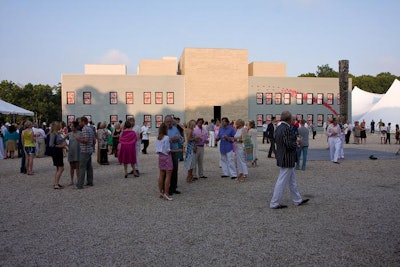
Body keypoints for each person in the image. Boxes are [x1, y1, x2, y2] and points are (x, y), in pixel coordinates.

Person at [270, 111, 309, 209]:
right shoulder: (286, 128)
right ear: (288, 119)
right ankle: (274, 202)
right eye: (292, 119)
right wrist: (297, 143)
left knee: (292, 181)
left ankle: (297, 200)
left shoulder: (279, 128)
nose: (293, 120)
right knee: (282, 181)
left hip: (283, 156)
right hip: (287, 157)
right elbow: (289, 145)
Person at [74, 116, 96, 189]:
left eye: (80, 122)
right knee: (89, 166)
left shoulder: (84, 129)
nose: (79, 123)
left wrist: (78, 139)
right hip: (89, 150)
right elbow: (94, 141)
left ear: (83, 122)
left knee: (82, 167)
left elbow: (86, 140)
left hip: (84, 150)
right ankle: (90, 181)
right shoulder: (90, 128)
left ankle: (80, 184)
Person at [165, 115, 183, 195]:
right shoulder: (163, 129)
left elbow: (181, 139)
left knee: (175, 170)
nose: (169, 123)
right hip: (166, 153)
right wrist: (171, 140)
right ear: (165, 122)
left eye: (170, 121)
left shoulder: (175, 129)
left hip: (175, 151)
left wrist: (178, 138)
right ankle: (166, 188)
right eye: (167, 121)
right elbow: (161, 141)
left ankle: (174, 187)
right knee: (167, 171)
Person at [156, 123, 174, 201]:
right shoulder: (166, 137)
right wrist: (178, 150)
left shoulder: (158, 137)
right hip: (167, 157)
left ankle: (161, 192)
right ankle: (166, 193)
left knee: (161, 174)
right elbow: (167, 150)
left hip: (160, 156)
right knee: (168, 175)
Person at [49, 121, 67, 189]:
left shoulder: (57, 133)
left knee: (58, 168)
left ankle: (56, 182)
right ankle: (56, 184)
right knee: (61, 168)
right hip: (56, 152)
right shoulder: (53, 134)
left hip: (59, 151)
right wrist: (60, 146)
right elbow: (51, 144)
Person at [67, 121, 80, 186]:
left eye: (72, 126)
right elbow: (64, 141)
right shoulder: (69, 134)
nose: (71, 127)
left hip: (77, 152)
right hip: (71, 152)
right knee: (71, 167)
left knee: (78, 167)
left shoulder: (80, 133)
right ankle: (71, 180)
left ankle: (78, 180)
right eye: (70, 126)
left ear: (76, 127)